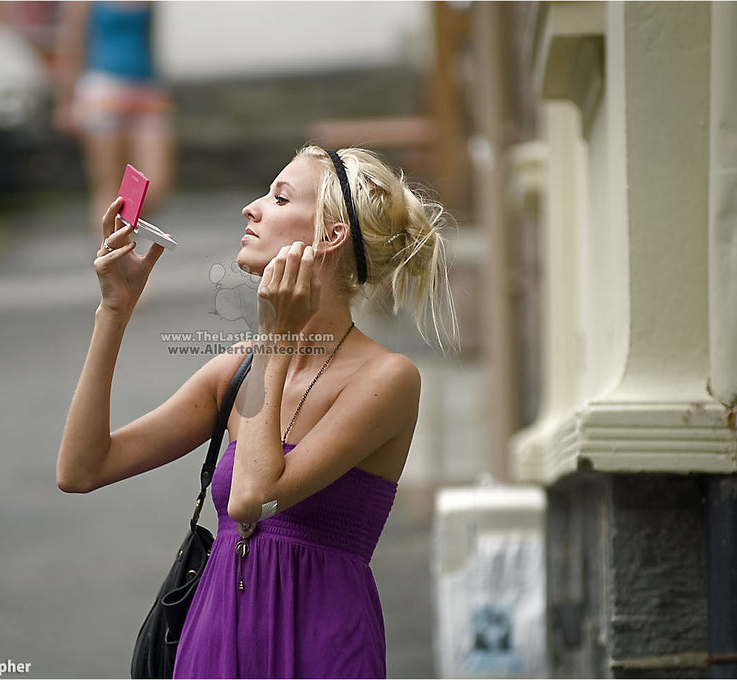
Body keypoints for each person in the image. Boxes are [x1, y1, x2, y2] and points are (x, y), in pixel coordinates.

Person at [57, 146, 456, 678]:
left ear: (330, 236)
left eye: (279, 197)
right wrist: (113, 310)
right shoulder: (234, 372)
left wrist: (276, 339)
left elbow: (252, 498)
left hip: (322, 648)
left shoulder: (387, 380)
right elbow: (82, 470)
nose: (251, 207)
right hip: (214, 644)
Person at [52, 1, 175, 242]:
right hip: (102, 89)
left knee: (155, 184)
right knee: (108, 185)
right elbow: (71, 42)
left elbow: (151, 39)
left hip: (145, 87)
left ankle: (121, 234)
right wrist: (65, 100)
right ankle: (113, 264)